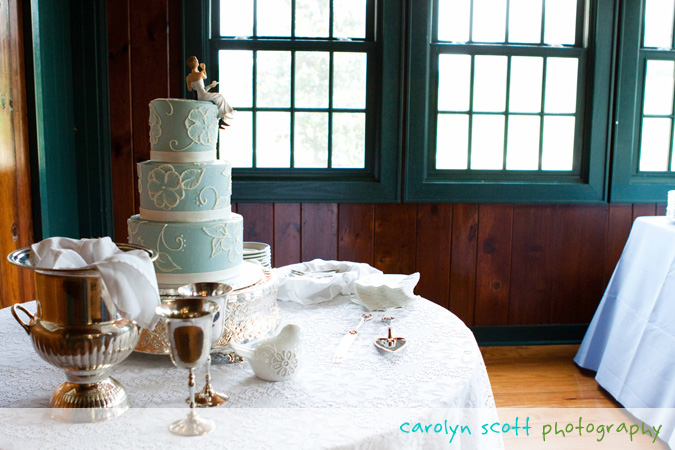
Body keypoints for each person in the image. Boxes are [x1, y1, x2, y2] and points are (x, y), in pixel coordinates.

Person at [186, 56, 235, 129]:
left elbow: (190, 89)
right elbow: (205, 76)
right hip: (203, 95)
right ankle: (226, 113)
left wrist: (210, 86)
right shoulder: (199, 74)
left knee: (217, 100)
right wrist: (203, 68)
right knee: (220, 96)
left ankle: (220, 120)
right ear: (196, 63)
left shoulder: (188, 77)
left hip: (200, 96)